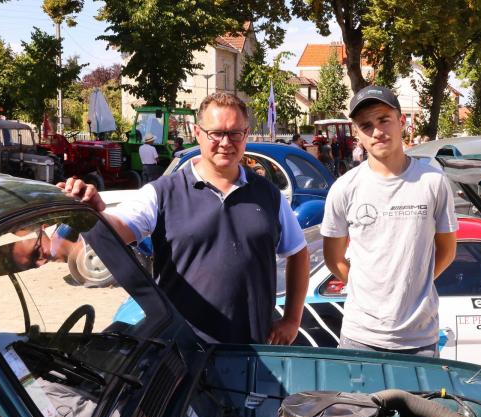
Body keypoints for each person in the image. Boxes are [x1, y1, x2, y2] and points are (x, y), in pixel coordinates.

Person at [59, 92, 310, 345]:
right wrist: (94, 213)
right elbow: (118, 230)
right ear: (198, 133)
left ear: (246, 136)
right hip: (182, 353)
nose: (226, 142)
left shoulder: (269, 195)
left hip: (252, 348)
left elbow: (298, 252)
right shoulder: (162, 193)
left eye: (235, 133)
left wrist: (292, 321)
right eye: (216, 133)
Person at [321, 86, 458, 356]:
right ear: (357, 134)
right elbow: (334, 259)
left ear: (402, 121)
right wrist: (368, 289)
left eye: (384, 119)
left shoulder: (433, 182)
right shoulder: (344, 188)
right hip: (360, 337)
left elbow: (447, 251)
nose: (377, 131)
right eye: (366, 125)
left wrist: (413, 285)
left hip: (419, 338)